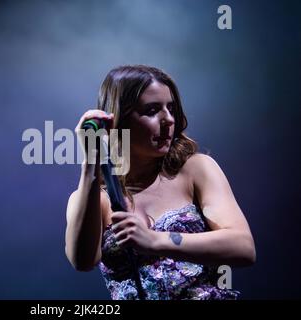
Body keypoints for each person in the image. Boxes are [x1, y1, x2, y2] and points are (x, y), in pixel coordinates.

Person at [65, 65, 256, 300]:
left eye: (171, 108)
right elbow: (82, 261)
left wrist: (155, 240)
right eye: (152, 110)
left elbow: (243, 247)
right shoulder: (94, 199)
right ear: (118, 120)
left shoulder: (196, 169)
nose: (168, 119)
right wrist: (90, 164)